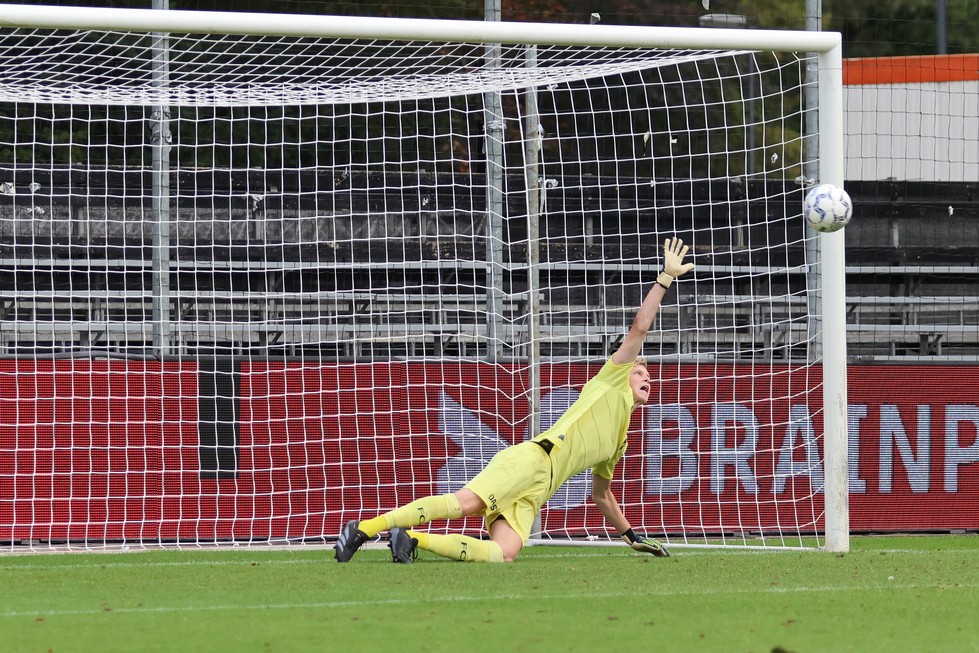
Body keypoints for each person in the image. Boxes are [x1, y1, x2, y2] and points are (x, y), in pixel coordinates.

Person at [334, 238, 695, 564]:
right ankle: (362, 528)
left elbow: (603, 496)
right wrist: (665, 277)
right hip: (534, 459)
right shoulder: (611, 379)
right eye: (641, 371)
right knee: (467, 503)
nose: (647, 376)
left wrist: (632, 539)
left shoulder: (620, 438)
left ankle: (411, 539)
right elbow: (640, 327)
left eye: (648, 375)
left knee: (504, 553)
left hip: (538, 490)